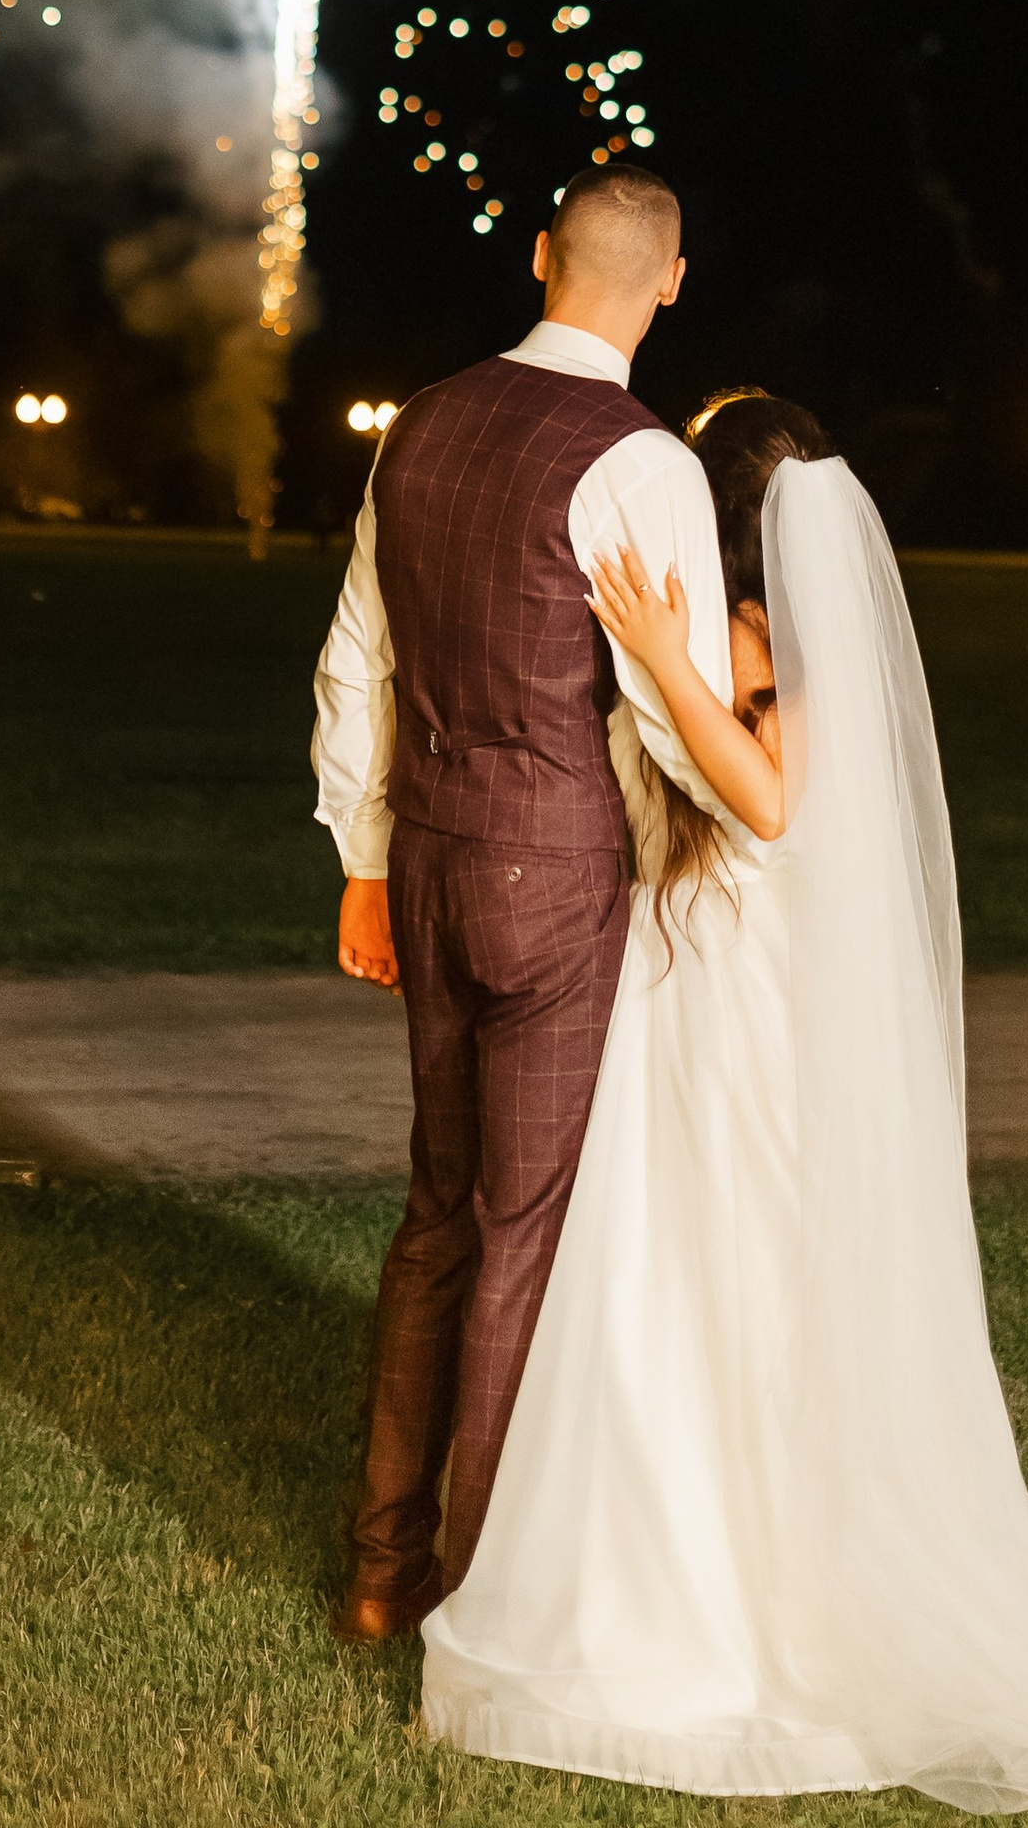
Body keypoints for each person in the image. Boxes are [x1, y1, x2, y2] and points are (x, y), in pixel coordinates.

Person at [417, 391, 1028, 1808]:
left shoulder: (738, 639)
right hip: (752, 988)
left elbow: (770, 811)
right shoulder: (810, 647)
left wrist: (657, 651)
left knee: (710, 1280)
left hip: (726, 1005)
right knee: (727, 1279)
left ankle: (714, 1602)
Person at [310, 164, 728, 1642]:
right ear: (670, 282)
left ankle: (377, 1567)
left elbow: (359, 655)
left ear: (542, 255)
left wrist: (363, 863)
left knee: (435, 1216)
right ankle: (472, 1601)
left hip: (421, 857)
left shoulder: (419, 421)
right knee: (517, 1232)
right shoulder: (644, 464)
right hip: (550, 873)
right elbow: (680, 730)